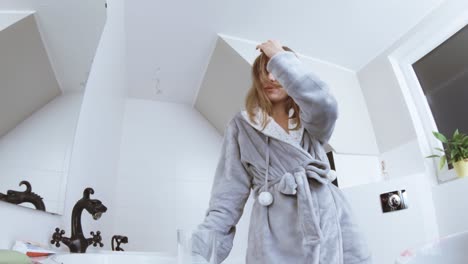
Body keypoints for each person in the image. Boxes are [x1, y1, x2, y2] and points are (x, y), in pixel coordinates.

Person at [192, 40, 372, 264]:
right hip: (273, 231)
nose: (271, 78)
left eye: (277, 70)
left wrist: (278, 55)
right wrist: (200, 254)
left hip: (327, 217)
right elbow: (226, 198)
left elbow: (325, 104)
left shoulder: (312, 120)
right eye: (263, 72)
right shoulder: (242, 125)